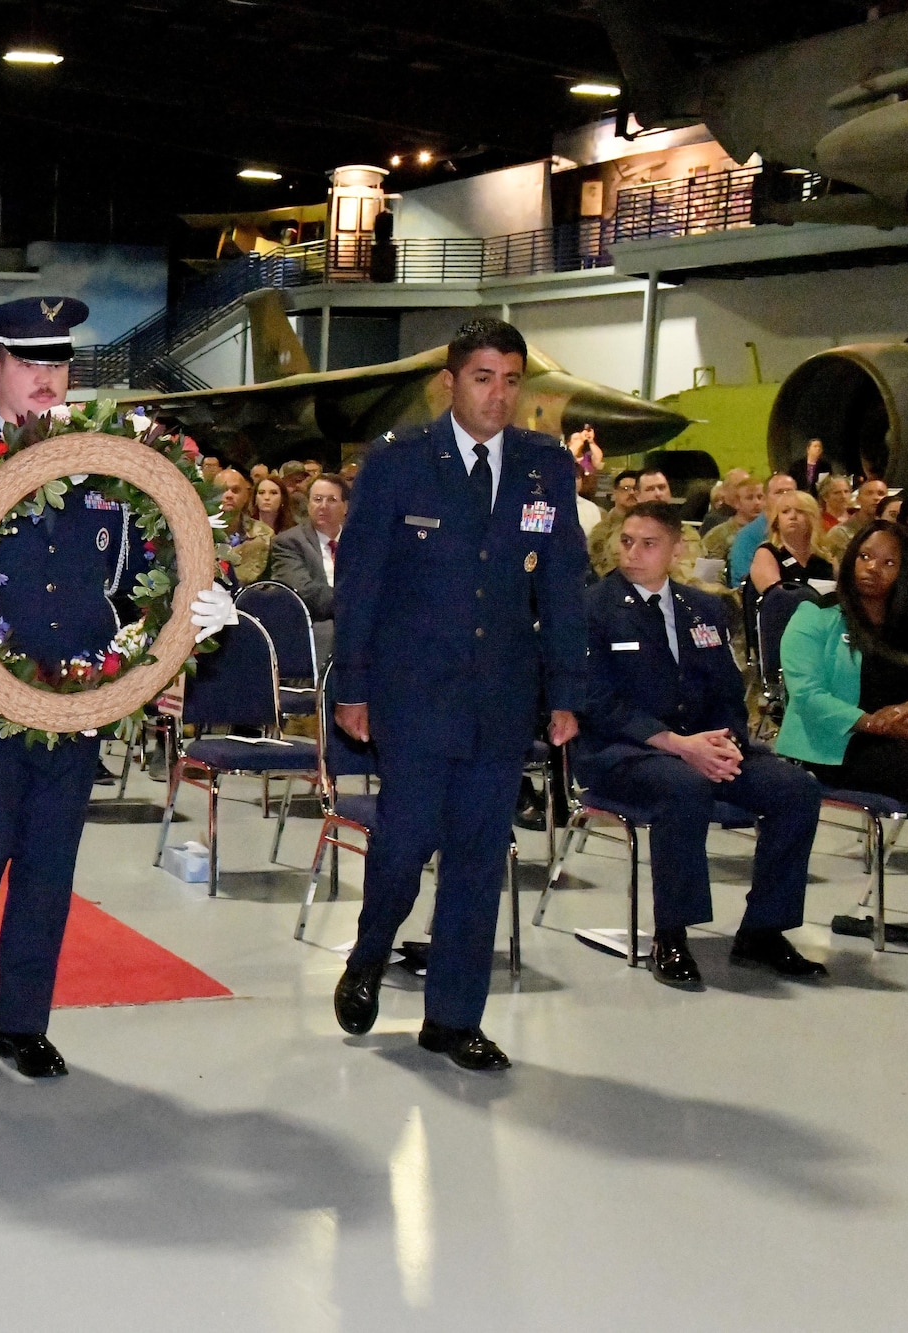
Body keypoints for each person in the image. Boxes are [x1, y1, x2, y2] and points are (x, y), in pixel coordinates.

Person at [0, 294, 235, 1081]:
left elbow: (159, 573)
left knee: (49, 864)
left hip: (78, 700)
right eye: (30, 361)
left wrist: (193, 624)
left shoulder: (109, 464)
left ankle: (24, 1022)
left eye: (58, 362)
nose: (47, 377)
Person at [331, 317, 586, 1072]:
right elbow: (362, 583)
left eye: (511, 380)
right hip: (414, 694)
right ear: (451, 382)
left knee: (479, 856)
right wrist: (353, 686)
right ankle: (371, 949)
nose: (499, 395)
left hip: (502, 697)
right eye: (484, 378)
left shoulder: (545, 467)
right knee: (405, 845)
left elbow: (564, 585)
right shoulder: (400, 463)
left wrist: (566, 688)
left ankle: (452, 1017)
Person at [578, 503, 825, 989]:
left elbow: (728, 693)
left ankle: (763, 929)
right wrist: (678, 745)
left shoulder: (705, 609)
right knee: (683, 787)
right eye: (626, 541)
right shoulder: (591, 609)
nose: (632, 553)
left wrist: (724, 743)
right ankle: (671, 932)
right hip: (624, 751)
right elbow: (596, 702)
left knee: (795, 789)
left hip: (703, 746)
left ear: (675, 549)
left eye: (648, 544)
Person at [778, 521, 908, 811]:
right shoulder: (816, 615)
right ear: (851, 559)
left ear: (903, 573)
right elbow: (808, 696)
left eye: (888, 562)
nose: (873, 568)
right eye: (865, 556)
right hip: (840, 744)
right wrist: (876, 724)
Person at [266, 472, 347, 662]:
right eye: (317, 499)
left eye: (332, 500)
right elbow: (304, 593)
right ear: (309, 504)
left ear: (346, 507)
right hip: (315, 626)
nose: (323, 506)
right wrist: (355, 603)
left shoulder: (362, 542)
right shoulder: (288, 543)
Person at [749, 490, 832, 595]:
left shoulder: (825, 556)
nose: (793, 516)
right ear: (776, 522)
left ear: (812, 518)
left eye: (800, 511)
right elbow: (774, 596)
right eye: (785, 511)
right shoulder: (767, 553)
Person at [728, 472, 800, 587]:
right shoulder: (747, 535)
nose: (786, 496)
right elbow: (743, 578)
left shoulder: (802, 528)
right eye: (779, 492)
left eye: (790, 491)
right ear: (765, 499)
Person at [215, 467, 272, 585]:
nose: (229, 495)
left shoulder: (265, 535)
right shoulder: (196, 533)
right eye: (222, 490)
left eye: (235, 490)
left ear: (246, 496)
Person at [818, 477, 887, 567]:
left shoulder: (891, 530)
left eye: (881, 494)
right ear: (858, 499)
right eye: (869, 493)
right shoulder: (839, 532)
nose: (876, 498)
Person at [584, 468, 640, 566]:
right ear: (615, 493)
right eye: (625, 489)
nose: (631, 493)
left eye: (635, 489)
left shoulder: (648, 526)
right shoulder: (601, 530)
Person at [702, 475, 764, 562]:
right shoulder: (717, 536)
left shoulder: (772, 531)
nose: (757, 502)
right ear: (736, 503)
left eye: (760, 497)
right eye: (749, 498)